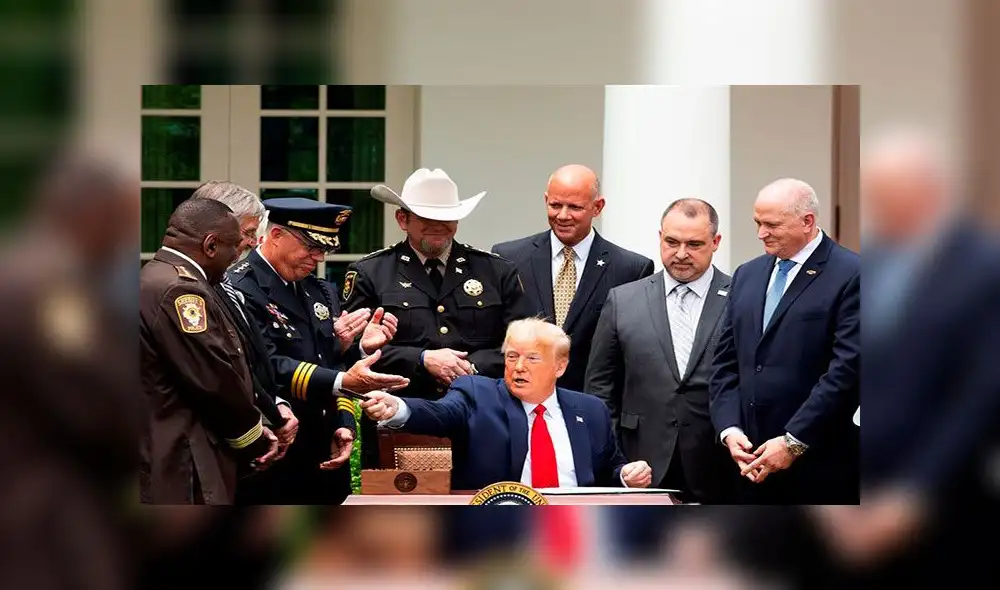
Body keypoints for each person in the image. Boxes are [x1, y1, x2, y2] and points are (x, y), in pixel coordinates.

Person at [341, 168, 534, 466]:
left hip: (484, 417)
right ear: (402, 219)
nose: (438, 227)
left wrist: (471, 365)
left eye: (446, 218)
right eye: (426, 219)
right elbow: (352, 353)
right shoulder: (371, 273)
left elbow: (524, 345)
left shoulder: (496, 271)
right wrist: (421, 359)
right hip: (400, 417)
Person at [228, 197, 409, 504]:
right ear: (275, 236)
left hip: (324, 446)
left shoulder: (321, 290)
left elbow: (332, 360)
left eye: (325, 249)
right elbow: (265, 364)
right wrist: (343, 382)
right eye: (311, 247)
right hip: (276, 441)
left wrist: (344, 421)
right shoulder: (242, 287)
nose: (318, 257)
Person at [362, 318, 653, 492]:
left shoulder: (590, 410)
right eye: (512, 357)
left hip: (575, 529)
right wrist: (398, 407)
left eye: (532, 358)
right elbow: (440, 413)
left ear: (560, 366)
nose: (519, 367)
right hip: (499, 530)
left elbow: (608, 471)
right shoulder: (478, 394)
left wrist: (627, 476)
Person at [709, 178, 859, 504]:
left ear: (807, 221)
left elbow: (847, 371)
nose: (761, 233)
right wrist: (730, 430)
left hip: (819, 465)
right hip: (749, 466)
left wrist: (794, 441)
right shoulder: (747, 274)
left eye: (771, 224)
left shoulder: (851, 273)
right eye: (757, 223)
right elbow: (725, 362)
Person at [585, 199, 734, 503]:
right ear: (660, 237)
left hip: (717, 464)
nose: (681, 254)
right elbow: (600, 390)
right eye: (671, 242)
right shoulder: (623, 300)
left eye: (694, 244)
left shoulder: (739, 298)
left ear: (715, 242)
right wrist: (616, 461)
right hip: (639, 462)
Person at [140, 198, 279, 504]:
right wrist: (254, 437)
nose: (237, 258)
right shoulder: (180, 290)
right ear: (211, 245)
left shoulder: (155, 275)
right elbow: (213, 378)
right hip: (186, 459)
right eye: (236, 247)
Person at [491, 164, 654, 391]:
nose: (563, 215)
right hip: (520, 400)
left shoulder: (630, 269)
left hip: (590, 404)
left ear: (598, 207)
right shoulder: (508, 258)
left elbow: (630, 352)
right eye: (555, 205)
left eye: (575, 207)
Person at [190, 181, 300, 503]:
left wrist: (276, 409)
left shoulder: (222, 285)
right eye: (248, 231)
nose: (251, 242)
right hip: (211, 448)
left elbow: (253, 363)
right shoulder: (189, 290)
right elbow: (214, 376)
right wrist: (257, 432)